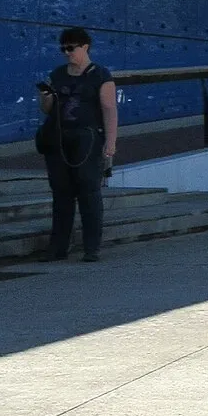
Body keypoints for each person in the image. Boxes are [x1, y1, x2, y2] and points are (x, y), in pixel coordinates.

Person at [35, 26, 118, 262]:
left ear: (85, 47)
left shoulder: (100, 75)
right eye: (63, 49)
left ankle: (92, 247)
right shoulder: (58, 74)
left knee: (88, 190)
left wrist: (110, 143)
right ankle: (58, 246)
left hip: (88, 138)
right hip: (59, 138)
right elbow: (47, 110)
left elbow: (110, 109)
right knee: (61, 192)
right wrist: (46, 97)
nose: (67, 53)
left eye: (71, 48)